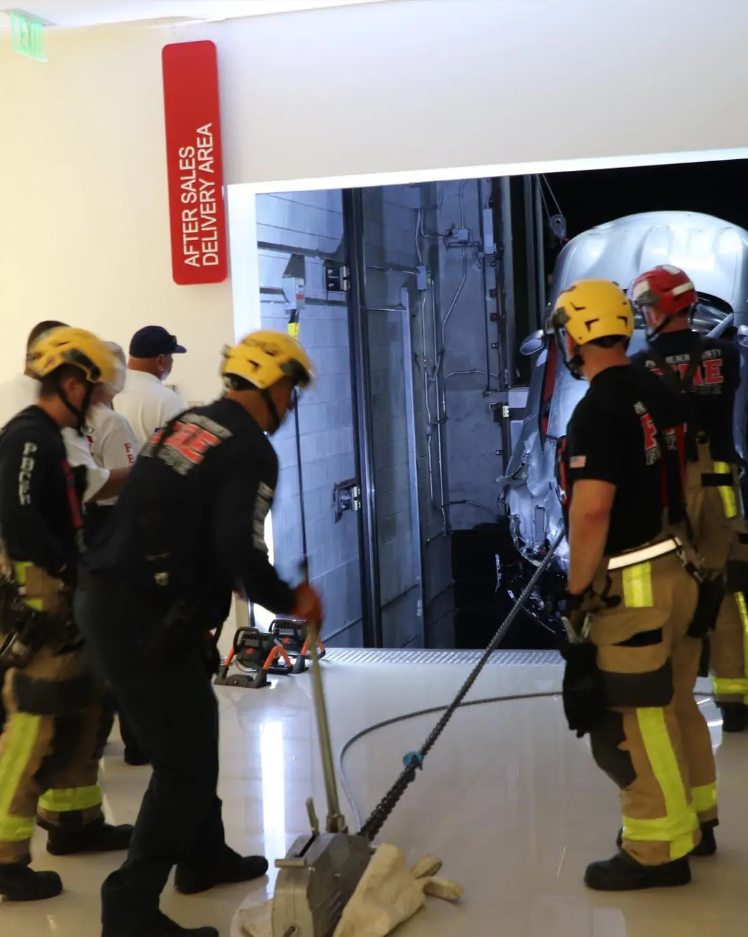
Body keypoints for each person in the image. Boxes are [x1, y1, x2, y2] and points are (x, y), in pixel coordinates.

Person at [74, 330, 323, 937]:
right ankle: (129, 910)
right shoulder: (250, 448)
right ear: (271, 383)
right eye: (290, 390)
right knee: (183, 761)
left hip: (119, 598)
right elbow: (237, 544)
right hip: (143, 613)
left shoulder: (190, 424)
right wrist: (293, 599)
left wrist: (221, 571)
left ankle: (203, 856)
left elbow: (181, 513)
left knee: (193, 734)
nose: (291, 404)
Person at [551, 279, 717, 891]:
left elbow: (592, 511)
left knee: (634, 722)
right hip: (682, 570)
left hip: (633, 583)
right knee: (676, 705)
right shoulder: (661, 391)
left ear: (577, 335)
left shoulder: (596, 410)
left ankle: (656, 850)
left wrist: (575, 593)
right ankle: (697, 822)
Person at [0, 327, 133, 902]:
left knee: (85, 700)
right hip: (41, 591)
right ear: (73, 384)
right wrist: (58, 576)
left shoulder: (52, 438)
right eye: (98, 390)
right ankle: (3, 855)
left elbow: (71, 497)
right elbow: (21, 519)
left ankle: (75, 819)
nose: (103, 401)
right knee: (35, 716)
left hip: (65, 584)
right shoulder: (31, 437)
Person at [629, 265, 748, 732]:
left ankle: (668, 690)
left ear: (656, 309)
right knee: (728, 592)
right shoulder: (728, 355)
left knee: (668, 589)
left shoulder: (640, 367)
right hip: (722, 491)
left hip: (668, 490)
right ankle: (736, 701)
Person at [83, 342, 148, 768]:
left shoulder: (72, 425)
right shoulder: (113, 422)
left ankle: (91, 737)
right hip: (112, 536)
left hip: (81, 536)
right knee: (128, 643)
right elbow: (124, 483)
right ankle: (138, 741)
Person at [114, 325, 186, 448]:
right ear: (160, 360)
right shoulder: (167, 400)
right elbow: (178, 451)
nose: (172, 362)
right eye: (171, 357)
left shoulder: (109, 390)